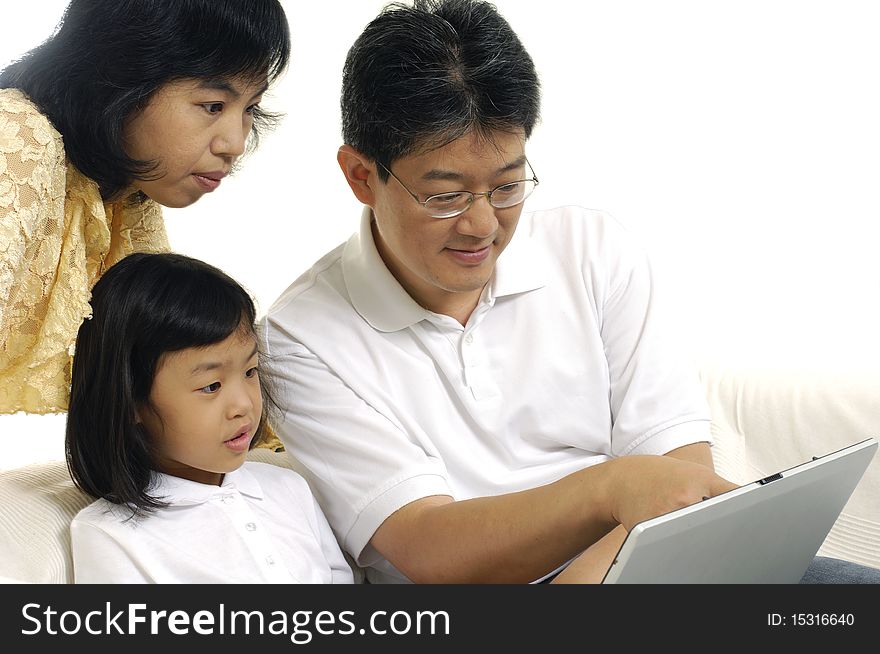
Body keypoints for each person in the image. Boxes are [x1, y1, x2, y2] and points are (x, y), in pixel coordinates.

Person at [262, 0, 880, 584]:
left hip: (640, 567)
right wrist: (610, 489)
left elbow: (680, 466)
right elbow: (427, 545)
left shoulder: (590, 251)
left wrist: (602, 580)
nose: (482, 224)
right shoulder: (300, 336)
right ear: (360, 175)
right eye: (445, 195)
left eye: (507, 184)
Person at [0, 0, 290, 450]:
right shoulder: (17, 141)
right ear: (122, 76)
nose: (235, 142)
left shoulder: (126, 190)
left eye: (249, 107)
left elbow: (169, 354)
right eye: (213, 105)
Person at [66, 252, 354, 584]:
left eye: (250, 371)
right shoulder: (110, 534)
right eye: (211, 386)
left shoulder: (289, 488)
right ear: (131, 399)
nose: (243, 404)